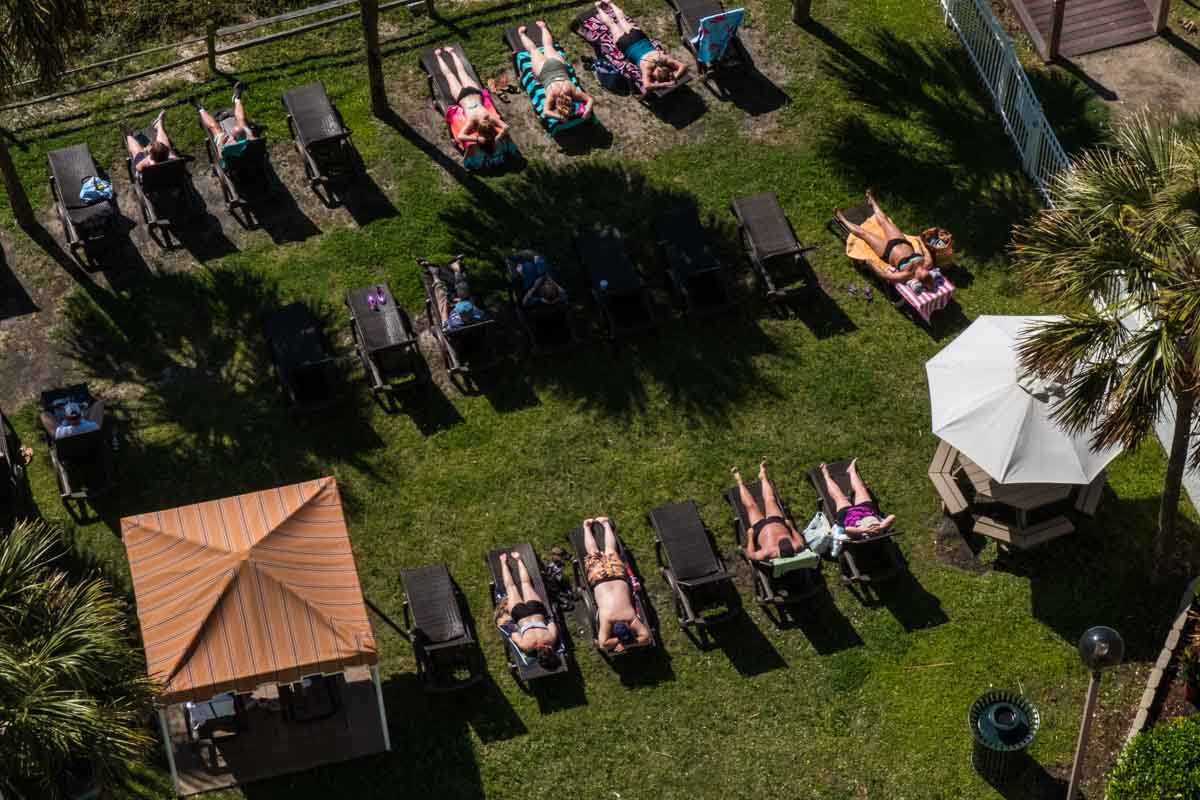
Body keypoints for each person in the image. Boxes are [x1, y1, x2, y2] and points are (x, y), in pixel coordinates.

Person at [835, 190, 937, 290]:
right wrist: (919, 242)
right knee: (885, 221)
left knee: (864, 234)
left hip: (887, 251)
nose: (927, 274)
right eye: (929, 277)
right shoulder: (927, 263)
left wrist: (871, 264)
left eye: (925, 279)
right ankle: (872, 201)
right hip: (901, 241)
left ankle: (842, 218)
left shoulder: (908, 275)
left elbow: (885, 276)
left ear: (919, 280)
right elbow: (925, 250)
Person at [581, 517, 652, 653]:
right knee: (592, 553)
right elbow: (603, 644)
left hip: (617, 575)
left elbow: (646, 637)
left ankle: (605, 523)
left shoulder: (629, 617)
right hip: (599, 578)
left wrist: (625, 643)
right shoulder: (608, 620)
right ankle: (586, 526)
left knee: (610, 550)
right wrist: (625, 644)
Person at [593, 1, 688, 95]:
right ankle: (598, 7)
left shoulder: (664, 59)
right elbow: (647, 86)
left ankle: (610, 3)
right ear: (656, 75)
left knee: (622, 19)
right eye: (655, 78)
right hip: (626, 44)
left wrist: (675, 77)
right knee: (612, 24)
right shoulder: (647, 68)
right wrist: (666, 84)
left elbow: (683, 66)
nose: (653, 78)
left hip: (638, 37)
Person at [432, 47, 509, 150]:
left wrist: (479, 139)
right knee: (456, 73)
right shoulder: (485, 118)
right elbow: (505, 127)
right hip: (468, 94)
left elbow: (460, 136)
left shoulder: (480, 119)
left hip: (468, 94)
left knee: (454, 74)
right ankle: (446, 53)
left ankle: (443, 54)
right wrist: (492, 138)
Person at [516, 21, 594, 120]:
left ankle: (543, 27)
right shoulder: (552, 96)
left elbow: (590, 99)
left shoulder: (571, 91)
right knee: (533, 50)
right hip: (543, 70)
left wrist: (587, 110)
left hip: (558, 65)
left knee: (548, 46)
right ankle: (521, 34)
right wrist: (560, 117)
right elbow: (546, 112)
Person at [496, 550, 561, 670]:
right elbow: (513, 633)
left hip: (536, 610)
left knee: (526, 584)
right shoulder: (526, 646)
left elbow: (551, 622)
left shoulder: (552, 640)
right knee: (510, 587)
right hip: (520, 615)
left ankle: (519, 559)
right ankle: (503, 562)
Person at [732, 460, 808, 560]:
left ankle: (740, 482)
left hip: (759, 528)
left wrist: (750, 536)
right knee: (770, 500)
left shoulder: (770, 552)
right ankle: (762, 476)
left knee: (750, 506)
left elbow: (751, 555)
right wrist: (791, 527)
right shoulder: (795, 546)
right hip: (777, 521)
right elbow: (801, 542)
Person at [819, 459, 896, 538]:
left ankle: (826, 476)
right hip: (866, 509)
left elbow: (847, 529)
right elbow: (892, 517)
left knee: (839, 497)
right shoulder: (881, 529)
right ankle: (851, 471)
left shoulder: (861, 534)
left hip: (847, 514)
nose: (873, 529)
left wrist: (865, 530)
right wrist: (881, 527)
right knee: (860, 489)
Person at [193, 81, 256, 166]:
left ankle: (200, 109)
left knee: (214, 127)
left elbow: (222, 158)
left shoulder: (226, 151)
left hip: (228, 149)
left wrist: (223, 143)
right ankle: (237, 99)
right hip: (245, 146)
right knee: (241, 120)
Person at [420, 256, 488, 330]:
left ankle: (436, 276)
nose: (466, 317)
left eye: (468, 315)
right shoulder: (457, 320)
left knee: (443, 303)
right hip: (458, 304)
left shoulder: (475, 315)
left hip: (457, 305)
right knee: (463, 293)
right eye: (465, 316)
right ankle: (456, 270)